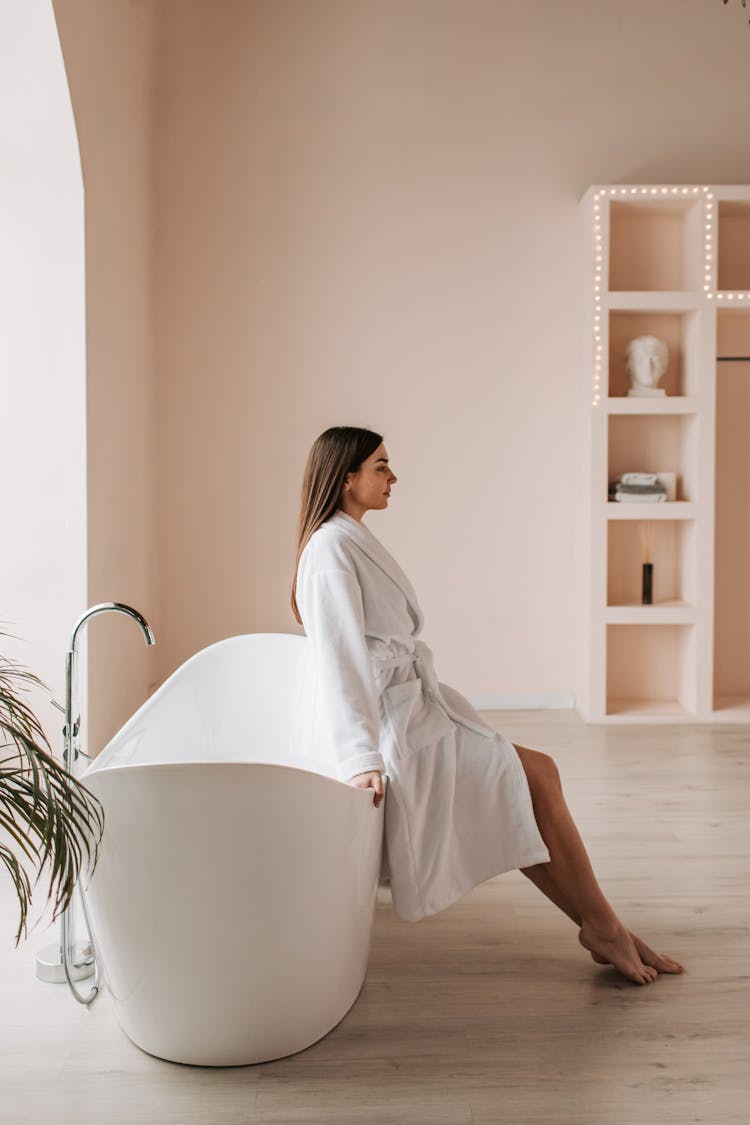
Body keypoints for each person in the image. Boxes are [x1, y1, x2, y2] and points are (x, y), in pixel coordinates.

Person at [292, 426, 684, 986]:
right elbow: (338, 662)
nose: (393, 477)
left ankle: (603, 926)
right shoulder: (331, 549)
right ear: (347, 476)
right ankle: (603, 927)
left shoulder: (346, 537)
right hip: (392, 728)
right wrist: (361, 758)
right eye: (381, 466)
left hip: (414, 709)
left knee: (527, 784)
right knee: (533, 778)